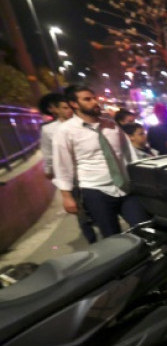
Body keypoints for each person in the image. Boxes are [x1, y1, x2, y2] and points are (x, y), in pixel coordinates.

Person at [52, 86, 150, 238]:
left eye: (94, 98)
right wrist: (67, 196)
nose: (94, 102)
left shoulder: (111, 125)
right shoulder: (65, 131)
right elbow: (63, 165)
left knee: (145, 227)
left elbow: (129, 154)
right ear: (74, 104)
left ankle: (151, 259)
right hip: (96, 191)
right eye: (87, 99)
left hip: (125, 188)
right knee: (113, 237)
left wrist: (139, 177)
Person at [40, 92, 98, 244]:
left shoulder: (81, 123)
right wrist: (49, 170)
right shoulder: (49, 129)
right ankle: (91, 238)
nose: (68, 111)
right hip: (70, 175)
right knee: (79, 209)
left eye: (69, 107)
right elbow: (48, 153)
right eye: (64, 108)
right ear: (55, 110)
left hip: (87, 172)